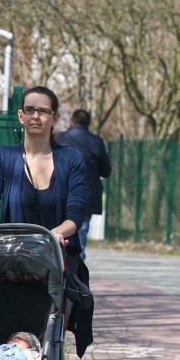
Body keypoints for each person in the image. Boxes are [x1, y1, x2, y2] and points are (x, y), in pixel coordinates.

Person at [0, 85, 91, 360]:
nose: (36, 116)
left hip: (54, 252)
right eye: (30, 110)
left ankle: (49, 356)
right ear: (20, 115)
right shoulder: (3, 157)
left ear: (55, 118)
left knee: (59, 303)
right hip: (9, 255)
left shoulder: (71, 159)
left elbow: (75, 214)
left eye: (43, 111)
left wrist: (57, 234)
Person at [56, 108, 112, 261]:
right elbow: (106, 170)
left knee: (57, 231)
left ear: (70, 122)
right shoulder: (96, 142)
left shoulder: (57, 138)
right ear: (88, 125)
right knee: (80, 234)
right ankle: (76, 272)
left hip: (60, 194)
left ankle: (58, 266)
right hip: (87, 195)